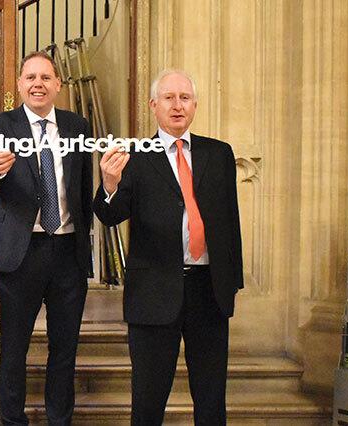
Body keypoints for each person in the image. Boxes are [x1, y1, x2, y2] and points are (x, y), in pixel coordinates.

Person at [93, 69, 243, 425]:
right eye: (169, 98)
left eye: (185, 98)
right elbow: (110, 215)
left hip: (209, 291)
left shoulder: (218, 153)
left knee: (210, 398)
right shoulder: (135, 156)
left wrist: (232, 281)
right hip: (154, 292)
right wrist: (109, 184)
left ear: (195, 105)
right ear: (153, 105)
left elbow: (230, 221)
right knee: (148, 399)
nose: (178, 106)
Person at [0, 51, 93, 426]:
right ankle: (13, 420)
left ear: (58, 84)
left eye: (45, 77)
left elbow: (83, 184)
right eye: (30, 77)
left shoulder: (78, 126)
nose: (38, 84)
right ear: (20, 85)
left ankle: (60, 419)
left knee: (65, 349)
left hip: (67, 251)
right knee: (14, 348)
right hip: (22, 252)